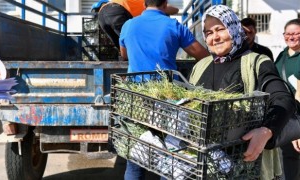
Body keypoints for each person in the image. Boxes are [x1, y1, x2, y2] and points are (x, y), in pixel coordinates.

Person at [188, 5, 296, 180]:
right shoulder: (201, 66)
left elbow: (282, 98)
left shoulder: (256, 62)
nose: (214, 37)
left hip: (246, 165)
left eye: (219, 29)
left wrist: (266, 131)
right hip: (204, 165)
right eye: (208, 33)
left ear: (234, 28)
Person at [119, 0, 209, 179]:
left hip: (135, 100)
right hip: (168, 100)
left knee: (136, 157)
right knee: (170, 158)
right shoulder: (173, 25)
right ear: (165, 3)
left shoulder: (128, 25)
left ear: (144, 3)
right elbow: (202, 55)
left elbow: (124, 54)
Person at [274, 18, 300, 180]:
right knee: (288, 163)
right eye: (288, 34)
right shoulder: (281, 56)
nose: (291, 37)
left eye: (296, 33)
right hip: (286, 118)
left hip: (297, 119)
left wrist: (298, 130)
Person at [98, 0, 179, 49]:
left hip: (101, 15)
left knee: (123, 47)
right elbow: (172, 9)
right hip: (117, 10)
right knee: (133, 43)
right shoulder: (151, 3)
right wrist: (176, 10)